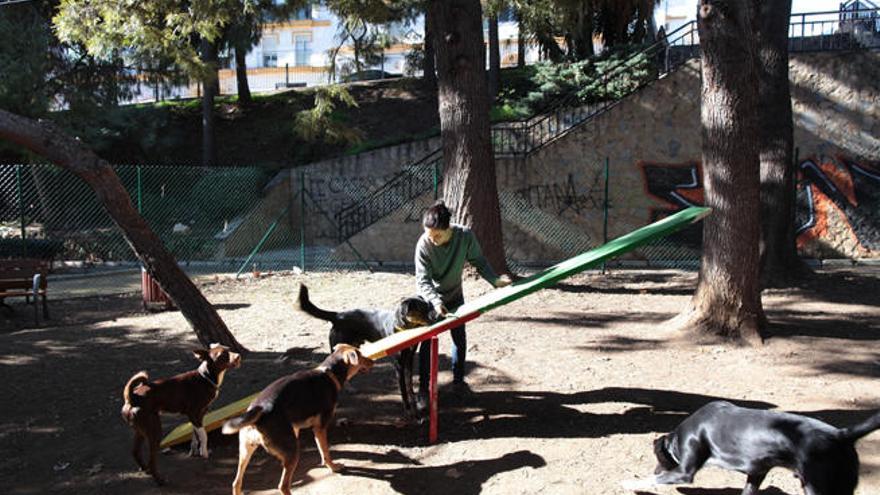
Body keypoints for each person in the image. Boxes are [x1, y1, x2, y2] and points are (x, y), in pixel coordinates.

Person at [414, 200, 511, 403]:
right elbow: (422, 281)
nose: (432, 240)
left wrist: (494, 280)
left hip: (455, 295)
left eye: (437, 235)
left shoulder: (464, 236)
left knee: (459, 337)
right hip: (430, 301)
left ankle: (458, 382)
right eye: (429, 235)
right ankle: (424, 390)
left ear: (448, 228)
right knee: (426, 342)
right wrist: (435, 301)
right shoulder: (424, 244)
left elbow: (479, 260)